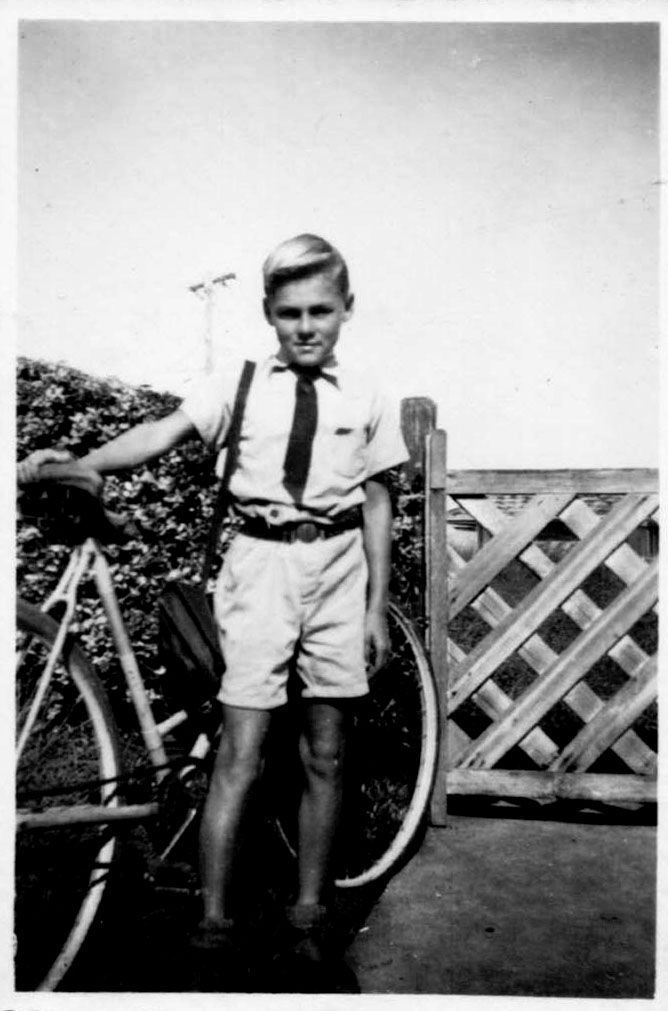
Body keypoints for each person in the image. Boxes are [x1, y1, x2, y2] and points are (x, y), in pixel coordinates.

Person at [18, 233, 408, 985]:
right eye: (289, 312)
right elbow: (161, 433)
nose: (305, 326)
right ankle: (214, 921)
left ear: (346, 309)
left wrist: (374, 607)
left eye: (320, 310)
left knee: (326, 752)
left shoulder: (369, 394)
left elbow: (380, 500)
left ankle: (308, 919)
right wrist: (85, 463)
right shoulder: (235, 383)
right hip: (259, 567)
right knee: (241, 750)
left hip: (337, 566)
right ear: (268, 312)